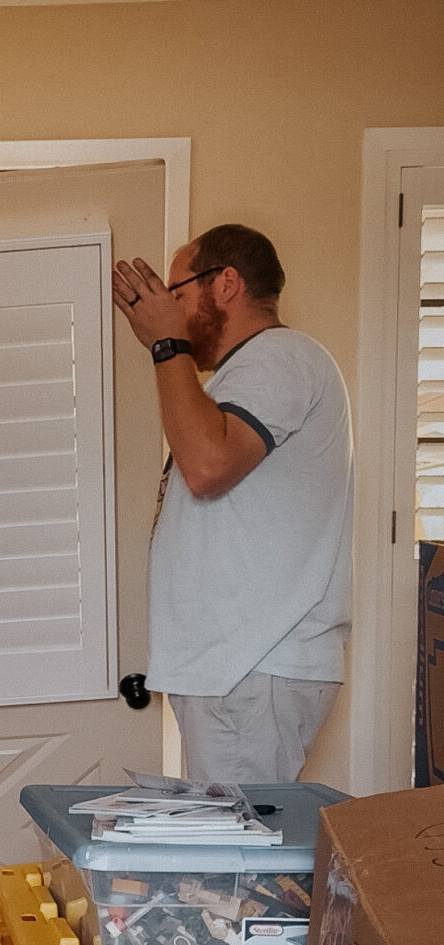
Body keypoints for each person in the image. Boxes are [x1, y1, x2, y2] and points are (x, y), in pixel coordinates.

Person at [110, 224, 353, 783]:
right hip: (238, 670)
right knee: (228, 859)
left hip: (252, 665)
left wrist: (166, 344)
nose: (165, 306)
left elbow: (208, 466)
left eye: (176, 292)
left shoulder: (281, 357)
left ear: (225, 283)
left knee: (233, 864)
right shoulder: (242, 375)